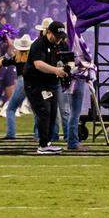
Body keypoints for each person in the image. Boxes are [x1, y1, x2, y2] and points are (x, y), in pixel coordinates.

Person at [23, 20, 71, 155]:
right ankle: (43, 145)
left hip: (51, 84)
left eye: (61, 37)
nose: (59, 40)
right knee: (44, 112)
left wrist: (68, 68)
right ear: (49, 33)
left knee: (52, 114)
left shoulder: (62, 44)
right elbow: (38, 64)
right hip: (35, 84)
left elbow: (69, 59)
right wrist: (56, 70)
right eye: (57, 37)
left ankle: (47, 142)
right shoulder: (39, 44)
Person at [3, 33, 32, 139]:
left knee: (11, 109)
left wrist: (9, 51)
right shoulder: (33, 56)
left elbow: (4, 62)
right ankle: (38, 135)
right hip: (33, 82)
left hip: (22, 81)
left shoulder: (17, 57)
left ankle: (11, 134)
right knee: (37, 111)